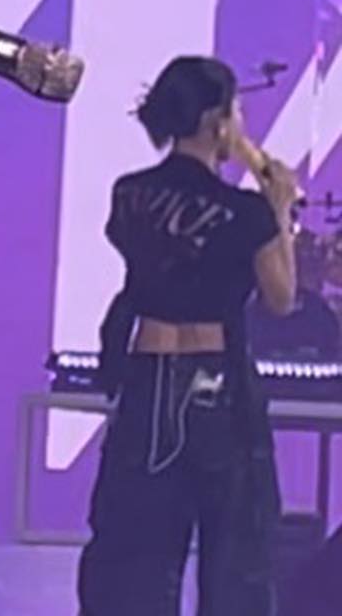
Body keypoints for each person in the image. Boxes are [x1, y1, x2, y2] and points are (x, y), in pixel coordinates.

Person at [79, 56, 300, 616]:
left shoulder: (129, 195)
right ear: (217, 123)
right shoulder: (244, 211)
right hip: (216, 391)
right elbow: (281, 297)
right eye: (237, 112)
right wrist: (278, 210)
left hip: (147, 383)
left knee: (133, 553)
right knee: (233, 554)